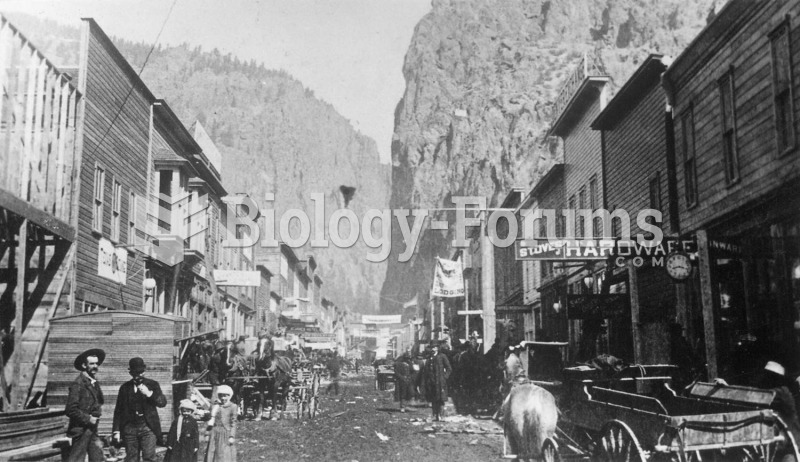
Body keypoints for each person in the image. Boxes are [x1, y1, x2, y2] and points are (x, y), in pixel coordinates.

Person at [113, 357, 168, 462]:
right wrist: (116, 430)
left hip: (148, 427)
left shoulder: (153, 384)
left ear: (144, 370)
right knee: (131, 459)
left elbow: (162, 403)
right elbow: (118, 410)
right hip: (130, 428)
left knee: (149, 458)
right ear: (131, 373)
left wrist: (149, 393)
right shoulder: (125, 387)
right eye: (137, 372)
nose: (140, 375)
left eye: (141, 371)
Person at [64, 348, 106, 462]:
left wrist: (96, 415)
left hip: (92, 430)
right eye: (92, 363)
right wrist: (88, 419)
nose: (95, 366)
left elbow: (98, 402)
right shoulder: (78, 384)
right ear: (84, 365)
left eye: (97, 363)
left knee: (98, 458)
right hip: (79, 431)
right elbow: (70, 410)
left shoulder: (93, 382)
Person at [205, 385, 237, 462]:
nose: (223, 398)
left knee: (223, 454)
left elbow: (233, 423)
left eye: (225, 396)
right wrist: (207, 433)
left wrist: (232, 436)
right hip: (214, 433)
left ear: (229, 396)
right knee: (212, 452)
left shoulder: (233, 406)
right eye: (221, 396)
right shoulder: (216, 406)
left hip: (225, 433)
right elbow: (211, 420)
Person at [424, 341, 452, 421]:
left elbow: (449, 368)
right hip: (431, 382)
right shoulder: (429, 358)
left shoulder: (442, 356)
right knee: (433, 399)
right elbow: (427, 370)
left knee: (441, 399)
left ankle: (441, 415)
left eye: (434, 347)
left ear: (437, 348)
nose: (432, 349)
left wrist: (444, 377)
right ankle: (435, 414)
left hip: (440, 382)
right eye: (431, 348)